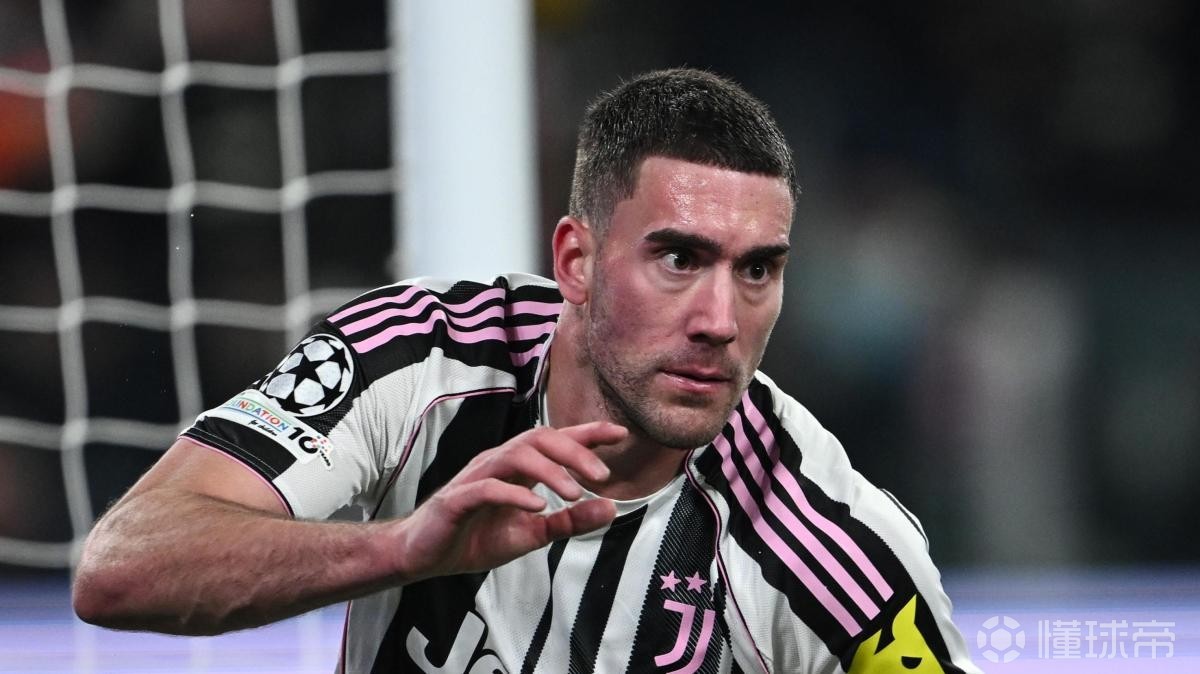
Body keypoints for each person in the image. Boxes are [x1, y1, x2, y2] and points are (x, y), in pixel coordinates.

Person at [73, 68, 979, 673]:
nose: (719, 320)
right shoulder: (419, 354)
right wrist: (400, 550)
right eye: (678, 258)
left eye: (757, 270)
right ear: (577, 261)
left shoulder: (828, 546)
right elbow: (121, 568)